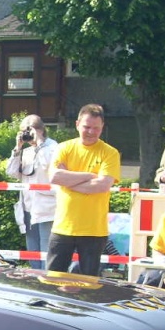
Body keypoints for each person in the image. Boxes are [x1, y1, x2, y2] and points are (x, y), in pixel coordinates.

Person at [46, 104, 121, 276]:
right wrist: (89, 175)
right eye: (87, 127)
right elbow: (54, 177)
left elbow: (103, 185)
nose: (91, 132)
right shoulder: (64, 148)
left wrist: (68, 180)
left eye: (96, 128)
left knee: (90, 285)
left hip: (94, 230)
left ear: (102, 127)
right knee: (52, 281)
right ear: (77, 124)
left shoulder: (110, 153)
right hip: (63, 227)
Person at [6, 115, 58, 268]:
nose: (28, 135)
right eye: (24, 131)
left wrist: (40, 142)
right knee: (33, 254)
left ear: (41, 130)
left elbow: (47, 166)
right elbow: (11, 172)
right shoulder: (27, 151)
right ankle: (36, 281)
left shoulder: (54, 148)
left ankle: (47, 284)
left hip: (47, 209)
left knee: (46, 253)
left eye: (30, 131)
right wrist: (18, 148)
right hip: (28, 208)